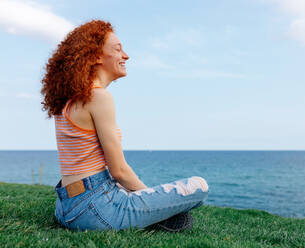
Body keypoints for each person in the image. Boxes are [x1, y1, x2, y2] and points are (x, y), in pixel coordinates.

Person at [40, 19, 209, 232]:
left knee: (121, 187)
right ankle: (154, 216)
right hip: (95, 209)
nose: (126, 55)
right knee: (199, 186)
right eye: (118, 49)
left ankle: (150, 214)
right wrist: (152, 205)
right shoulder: (99, 97)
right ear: (96, 57)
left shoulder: (68, 99)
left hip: (66, 207)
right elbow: (119, 170)